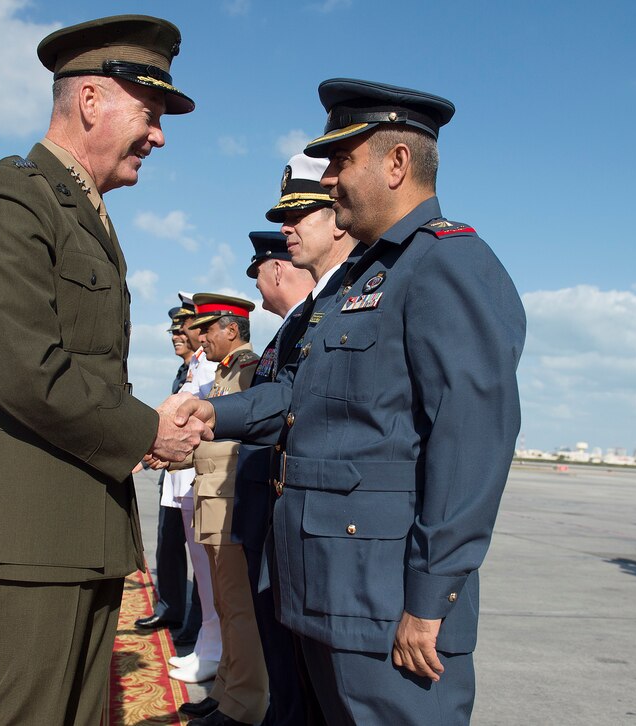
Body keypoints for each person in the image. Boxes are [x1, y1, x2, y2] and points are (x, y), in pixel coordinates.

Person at [175, 78, 526, 724]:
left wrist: (429, 603)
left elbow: (470, 447)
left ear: (397, 164)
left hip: (390, 608)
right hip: (325, 595)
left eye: (342, 161)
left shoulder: (448, 267)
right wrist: (212, 413)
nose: (329, 179)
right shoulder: (357, 283)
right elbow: (296, 398)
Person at [0, 16, 210, 725]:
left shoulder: (80, 210)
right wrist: (147, 428)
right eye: (149, 115)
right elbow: (24, 368)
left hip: (82, 522)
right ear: (91, 100)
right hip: (32, 527)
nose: (159, 136)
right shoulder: (10, 197)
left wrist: (143, 425)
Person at [174, 293, 267, 726]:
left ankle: (243, 705)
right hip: (214, 502)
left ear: (232, 329)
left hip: (230, 503)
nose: (201, 337)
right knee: (226, 605)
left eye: (208, 328)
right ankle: (226, 691)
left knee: (237, 605)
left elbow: (244, 434)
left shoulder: (248, 371)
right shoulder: (226, 372)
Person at [239, 230, 318, 726]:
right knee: (274, 644)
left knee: (292, 655)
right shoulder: (287, 330)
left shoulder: (309, 323)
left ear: (276, 269)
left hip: (282, 506)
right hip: (263, 506)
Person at [135, 304, 203, 646]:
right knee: (169, 544)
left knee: (200, 559)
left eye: (182, 330)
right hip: (172, 476)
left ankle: (194, 621)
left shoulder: (204, 368)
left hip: (192, 473)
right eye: (173, 333)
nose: (176, 337)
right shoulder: (185, 370)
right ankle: (171, 607)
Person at [168, 293, 223, 682]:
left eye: (203, 328)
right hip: (186, 480)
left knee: (212, 576)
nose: (197, 336)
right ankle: (207, 642)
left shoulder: (209, 367)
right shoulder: (198, 366)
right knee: (203, 577)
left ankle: (213, 647)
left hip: (198, 476)